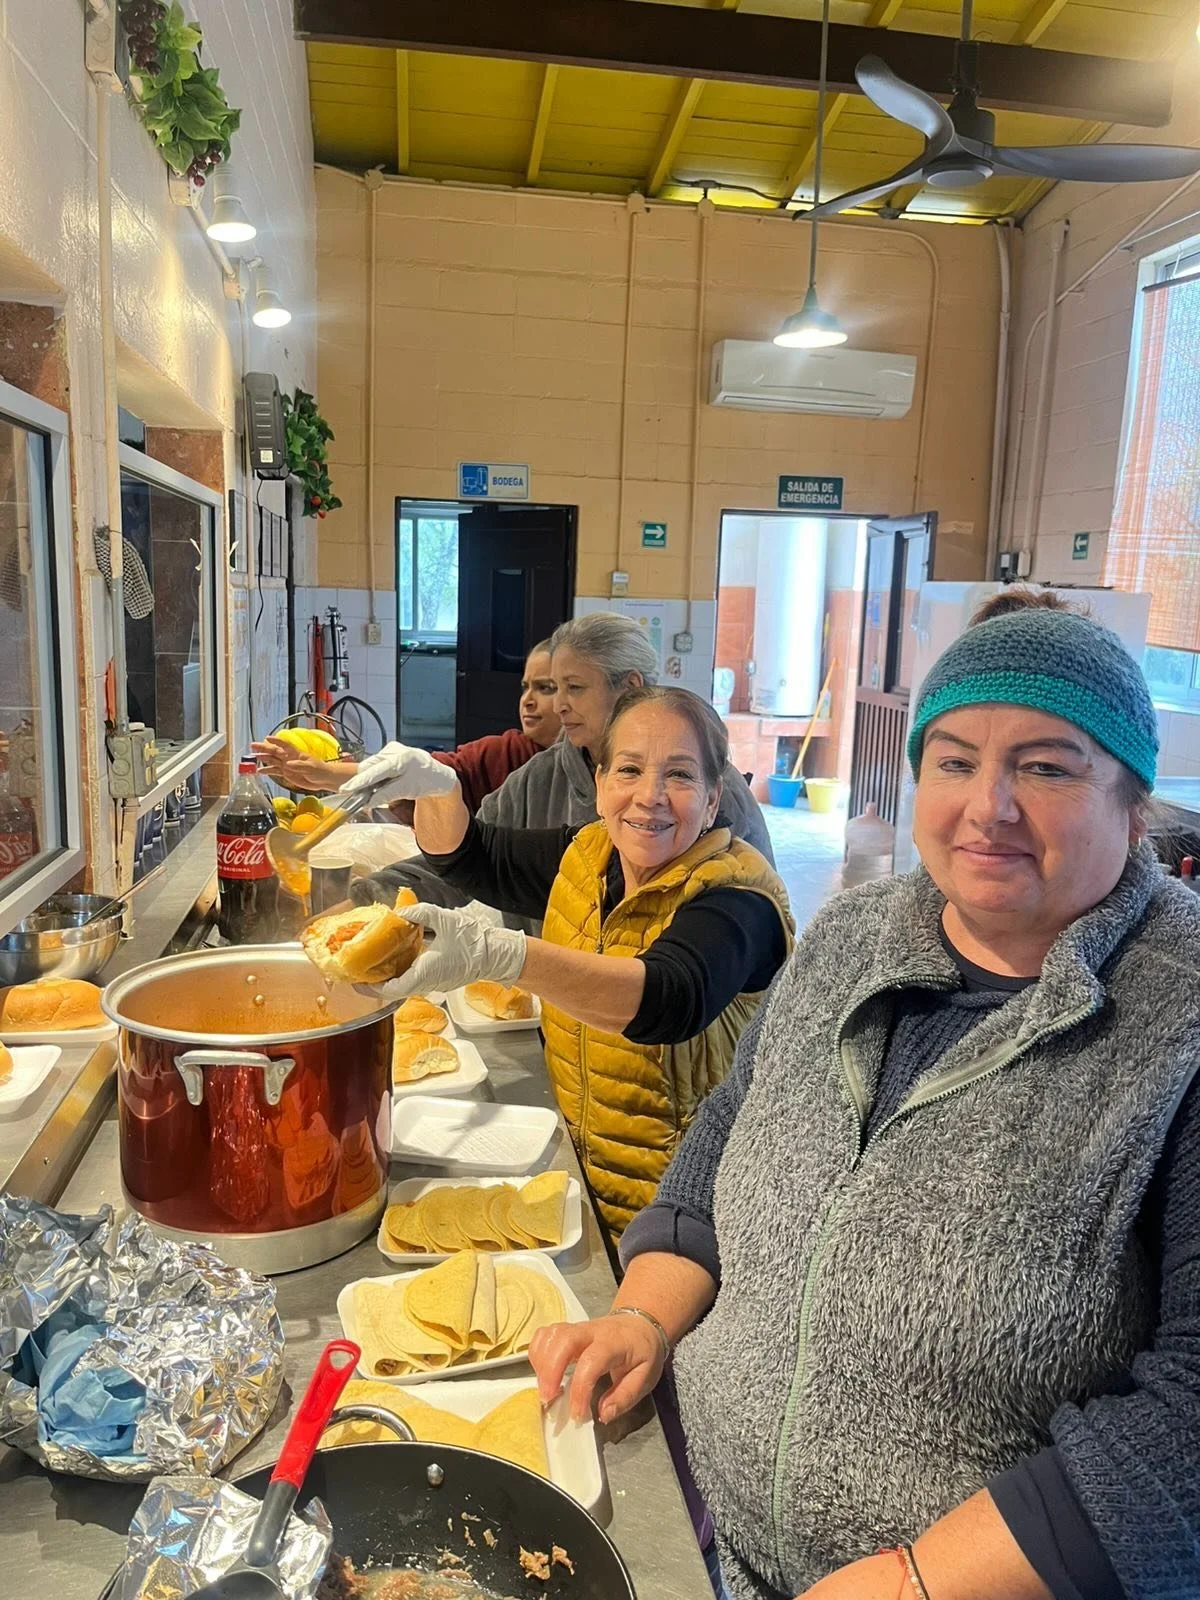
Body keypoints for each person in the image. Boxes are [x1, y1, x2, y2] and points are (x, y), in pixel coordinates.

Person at [527, 590, 1200, 1600]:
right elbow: (726, 1131)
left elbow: (1185, 1419)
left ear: (1132, 800)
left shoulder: (1178, 1020)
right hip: (707, 1539)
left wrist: (913, 1581)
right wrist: (645, 1317)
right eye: (956, 760)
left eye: (1047, 766)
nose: (989, 805)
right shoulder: (855, 936)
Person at [346, 685, 793, 1241]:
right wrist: (441, 790)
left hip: (691, 1225)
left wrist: (501, 956)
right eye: (629, 770)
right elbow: (468, 856)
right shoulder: (588, 854)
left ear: (712, 797)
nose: (650, 795)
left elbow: (666, 998)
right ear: (601, 783)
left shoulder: (739, 897)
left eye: (679, 775)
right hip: (588, 1190)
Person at [477, 612, 775, 864]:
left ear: (630, 686)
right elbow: (467, 854)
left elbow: (760, 906)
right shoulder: (539, 779)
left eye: (575, 687)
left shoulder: (712, 782)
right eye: (556, 688)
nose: (559, 705)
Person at [250, 641, 560, 811]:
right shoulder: (504, 753)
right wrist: (323, 774)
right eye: (525, 686)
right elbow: (427, 775)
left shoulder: (596, 773)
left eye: (545, 688)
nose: (527, 700)